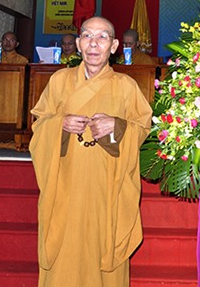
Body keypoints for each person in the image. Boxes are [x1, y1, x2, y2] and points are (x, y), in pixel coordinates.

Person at [29, 16, 152, 287]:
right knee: (64, 248)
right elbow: (39, 126)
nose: (93, 44)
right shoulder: (59, 80)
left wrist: (118, 126)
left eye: (102, 37)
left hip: (106, 186)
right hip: (65, 183)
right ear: (78, 43)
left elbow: (142, 128)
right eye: (87, 36)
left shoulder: (126, 86)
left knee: (102, 246)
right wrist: (59, 125)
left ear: (114, 46)